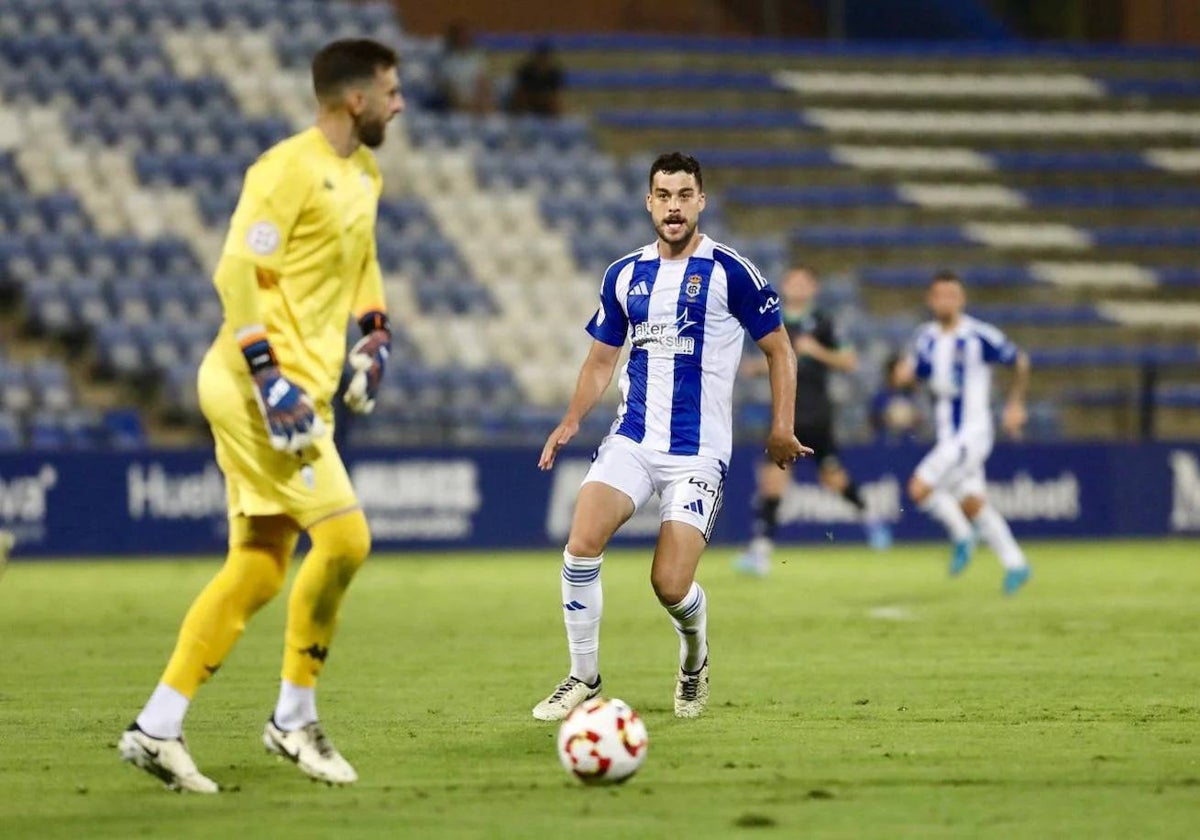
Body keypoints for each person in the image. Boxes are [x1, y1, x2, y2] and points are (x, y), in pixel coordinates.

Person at [117, 39, 404, 793]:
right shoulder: (286, 169)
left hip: (300, 390)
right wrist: (269, 375)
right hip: (255, 388)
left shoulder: (363, 172)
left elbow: (362, 260)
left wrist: (374, 331)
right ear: (355, 100)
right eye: (390, 91)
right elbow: (236, 269)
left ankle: (157, 726)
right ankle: (293, 719)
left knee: (258, 567)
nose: (399, 103)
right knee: (345, 537)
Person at [533, 152, 808, 722]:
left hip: (698, 453)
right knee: (581, 542)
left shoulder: (731, 271)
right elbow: (600, 361)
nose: (674, 206)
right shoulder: (624, 274)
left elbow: (779, 347)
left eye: (685, 195)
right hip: (632, 439)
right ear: (649, 202)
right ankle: (583, 674)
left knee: (670, 583)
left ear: (701, 201)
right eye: (664, 195)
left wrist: (782, 427)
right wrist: (571, 419)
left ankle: (694, 656)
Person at [734, 265, 892, 575]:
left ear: (813, 288)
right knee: (772, 480)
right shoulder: (773, 320)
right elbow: (778, 363)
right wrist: (757, 367)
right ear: (785, 285)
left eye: (805, 282)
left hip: (817, 414)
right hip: (783, 414)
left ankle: (870, 517)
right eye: (793, 281)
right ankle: (761, 552)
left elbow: (849, 361)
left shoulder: (824, 322)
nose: (798, 287)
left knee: (833, 479)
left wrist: (816, 350)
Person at [896, 270, 1032, 595]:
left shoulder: (978, 335)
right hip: (947, 435)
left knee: (919, 488)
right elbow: (915, 375)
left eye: (952, 295)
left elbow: (1020, 361)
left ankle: (961, 536)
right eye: (940, 295)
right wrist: (905, 376)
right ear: (931, 300)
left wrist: (1015, 406)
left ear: (962, 299)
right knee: (972, 503)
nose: (945, 301)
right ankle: (1016, 563)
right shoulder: (925, 337)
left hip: (972, 433)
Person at [430, 22, 493, 114]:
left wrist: (480, 103)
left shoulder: (478, 58)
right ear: (454, 38)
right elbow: (449, 91)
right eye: (461, 36)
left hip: (478, 104)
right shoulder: (446, 62)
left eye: (466, 36)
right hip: (457, 107)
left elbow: (483, 84)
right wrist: (465, 105)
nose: (464, 39)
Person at [509, 41, 564, 116]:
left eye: (545, 58)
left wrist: (543, 99)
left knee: (554, 103)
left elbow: (554, 94)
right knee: (519, 99)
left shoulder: (554, 73)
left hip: (545, 103)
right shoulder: (525, 71)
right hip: (527, 100)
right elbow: (521, 91)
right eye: (541, 57)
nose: (543, 60)